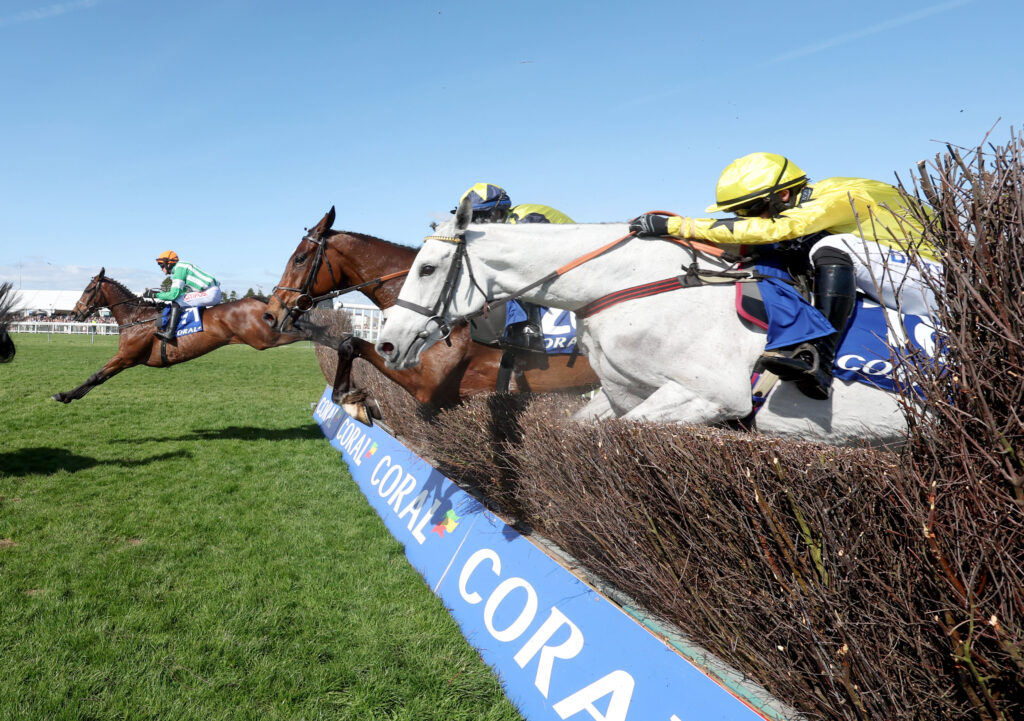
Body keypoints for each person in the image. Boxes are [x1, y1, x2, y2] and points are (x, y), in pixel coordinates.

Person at [629, 152, 941, 400]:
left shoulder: (842, 196)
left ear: (785, 194)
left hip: (937, 282)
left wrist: (677, 226)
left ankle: (818, 355)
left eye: (752, 209)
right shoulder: (808, 201)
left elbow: (779, 228)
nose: (746, 218)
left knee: (834, 246)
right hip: (896, 273)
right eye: (740, 212)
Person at [455, 183, 574, 353]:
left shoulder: (524, 219)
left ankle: (529, 328)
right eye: (472, 218)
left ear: (497, 212)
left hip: (577, 260)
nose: (474, 223)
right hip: (559, 257)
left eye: (479, 216)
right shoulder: (501, 226)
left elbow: (523, 263)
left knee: (510, 277)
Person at [146, 251, 222, 341]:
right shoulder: (181, 266)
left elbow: (173, 296)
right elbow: (181, 292)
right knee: (181, 299)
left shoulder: (179, 269)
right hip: (212, 291)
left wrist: (155, 295)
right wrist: (160, 293)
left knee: (177, 301)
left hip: (210, 293)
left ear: (168, 264)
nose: (161, 269)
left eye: (161, 266)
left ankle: (169, 333)